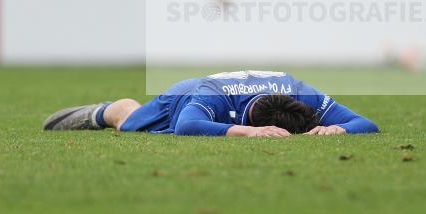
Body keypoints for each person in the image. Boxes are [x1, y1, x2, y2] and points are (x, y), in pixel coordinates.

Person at [42, 70, 379, 137]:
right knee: (127, 123)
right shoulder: (213, 98)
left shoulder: (302, 93)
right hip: (183, 96)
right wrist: (246, 133)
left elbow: (368, 124)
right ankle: (108, 110)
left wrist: (337, 128)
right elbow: (187, 126)